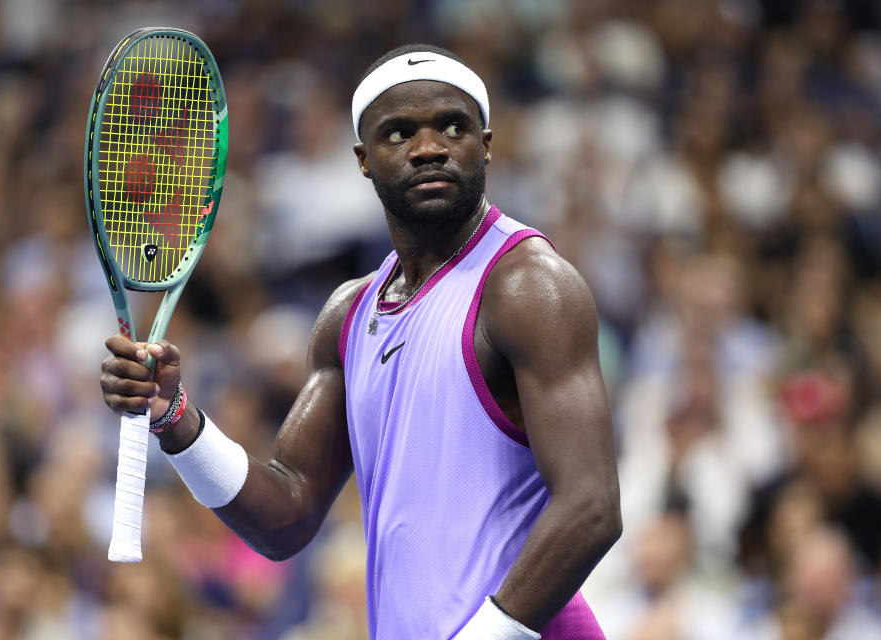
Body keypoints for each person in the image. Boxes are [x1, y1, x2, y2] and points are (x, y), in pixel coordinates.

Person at [100, 44, 621, 639]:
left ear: (487, 144)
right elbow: (286, 516)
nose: (429, 148)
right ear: (363, 160)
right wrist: (174, 416)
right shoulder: (348, 314)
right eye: (398, 133)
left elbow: (591, 508)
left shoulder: (528, 286)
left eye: (453, 126)